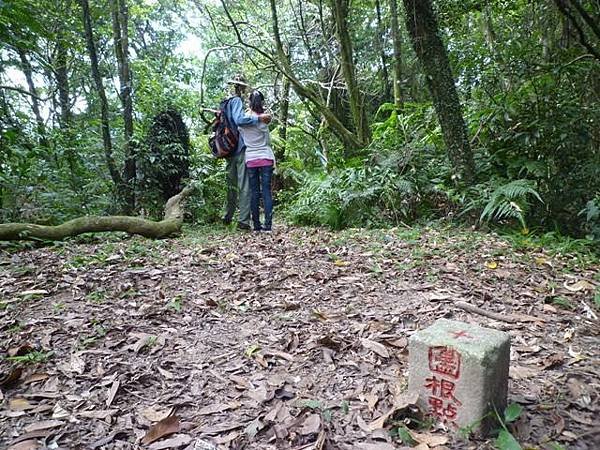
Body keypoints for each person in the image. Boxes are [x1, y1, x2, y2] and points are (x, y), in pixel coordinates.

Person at [222, 75, 271, 230]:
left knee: (231, 184)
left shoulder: (225, 103)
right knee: (244, 185)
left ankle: (227, 215)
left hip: (228, 148)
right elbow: (239, 121)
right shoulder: (237, 101)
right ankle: (243, 220)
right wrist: (259, 119)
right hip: (239, 149)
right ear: (241, 88)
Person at [238, 90, 275, 232]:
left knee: (254, 192)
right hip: (265, 157)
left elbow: (240, 131)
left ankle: (257, 226)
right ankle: (268, 225)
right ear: (262, 102)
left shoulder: (244, 120)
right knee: (266, 191)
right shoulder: (263, 120)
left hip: (251, 158)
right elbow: (267, 141)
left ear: (249, 103)